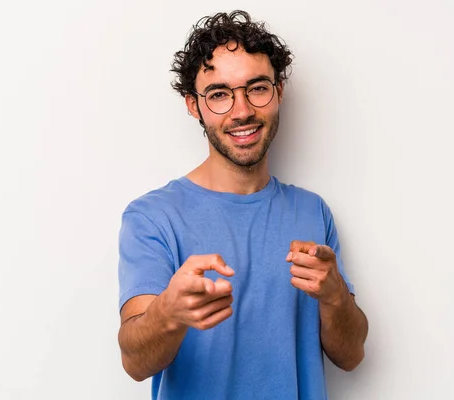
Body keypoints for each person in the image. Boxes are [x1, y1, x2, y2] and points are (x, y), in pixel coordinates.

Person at [117, 10, 368, 400]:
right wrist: (168, 312)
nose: (242, 111)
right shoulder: (152, 217)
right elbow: (134, 361)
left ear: (278, 92)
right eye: (219, 94)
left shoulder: (312, 212)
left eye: (257, 88)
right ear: (192, 105)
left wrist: (335, 297)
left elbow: (351, 356)